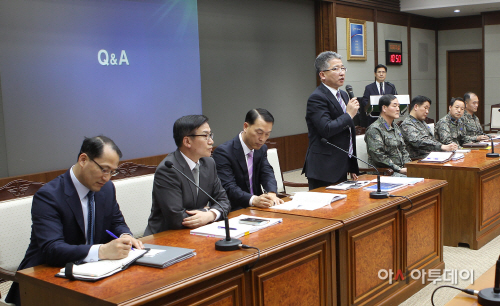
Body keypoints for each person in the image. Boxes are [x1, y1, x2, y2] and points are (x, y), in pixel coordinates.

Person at [6, 136, 144, 306]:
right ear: (83, 160)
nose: (107, 177)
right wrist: (101, 251)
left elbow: (116, 221)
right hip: (45, 280)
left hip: (93, 275)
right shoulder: (49, 196)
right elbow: (52, 249)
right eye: (104, 169)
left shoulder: (106, 188)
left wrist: (125, 235)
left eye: (112, 171)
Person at [144, 115, 231, 235]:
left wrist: (210, 214)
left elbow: (224, 201)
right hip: (165, 238)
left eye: (210, 135)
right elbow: (176, 218)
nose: (211, 141)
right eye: (205, 136)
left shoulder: (209, 163)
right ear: (187, 141)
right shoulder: (168, 169)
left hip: (197, 232)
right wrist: (204, 212)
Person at [303, 51, 360, 190]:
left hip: (341, 164)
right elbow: (326, 129)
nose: (341, 73)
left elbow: (348, 132)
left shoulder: (344, 94)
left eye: (342, 68)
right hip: (324, 168)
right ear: (322, 75)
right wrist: (348, 115)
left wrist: (351, 163)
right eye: (335, 69)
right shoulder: (317, 98)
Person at [212, 109, 284, 211]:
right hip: (234, 209)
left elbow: (267, 172)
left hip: (259, 207)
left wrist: (271, 193)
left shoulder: (261, 149)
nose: (262, 139)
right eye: (259, 133)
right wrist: (253, 200)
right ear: (246, 126)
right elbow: (228, 187)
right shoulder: (224, 152)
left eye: (267, 134)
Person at [365, 94, 411, 177]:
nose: (398, 109)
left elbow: (403, 150)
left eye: (398, 106)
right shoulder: (375, 129)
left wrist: (409, 166)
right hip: (384, 173)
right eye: (394, 106)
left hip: (400, 170)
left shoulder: (396, 127)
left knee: (424, 176)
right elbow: (378, 157)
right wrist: (399, 169)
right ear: (384, 108)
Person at [400, 95, 458, 159]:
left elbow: (432, 140)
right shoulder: (407, 124)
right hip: (417, 160)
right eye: (425, 108)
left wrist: (445, 147)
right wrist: (441, 146)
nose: (427, 112)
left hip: (431, 156)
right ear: (416, 107)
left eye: (428, 109)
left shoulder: (422, 122)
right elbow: (419, 141)